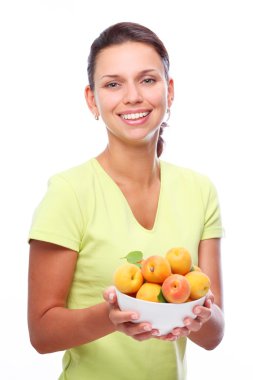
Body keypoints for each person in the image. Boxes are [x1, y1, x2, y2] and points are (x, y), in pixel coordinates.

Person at [28, 22, 225, 380]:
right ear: (93, 99)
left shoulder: (200, 190)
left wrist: (201, 315)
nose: (133, 96)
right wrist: (111, 318)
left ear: (170, 89)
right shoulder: (68, 193)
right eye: (113, 84)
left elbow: (213, 335)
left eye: (147, 80)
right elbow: (41, 334)